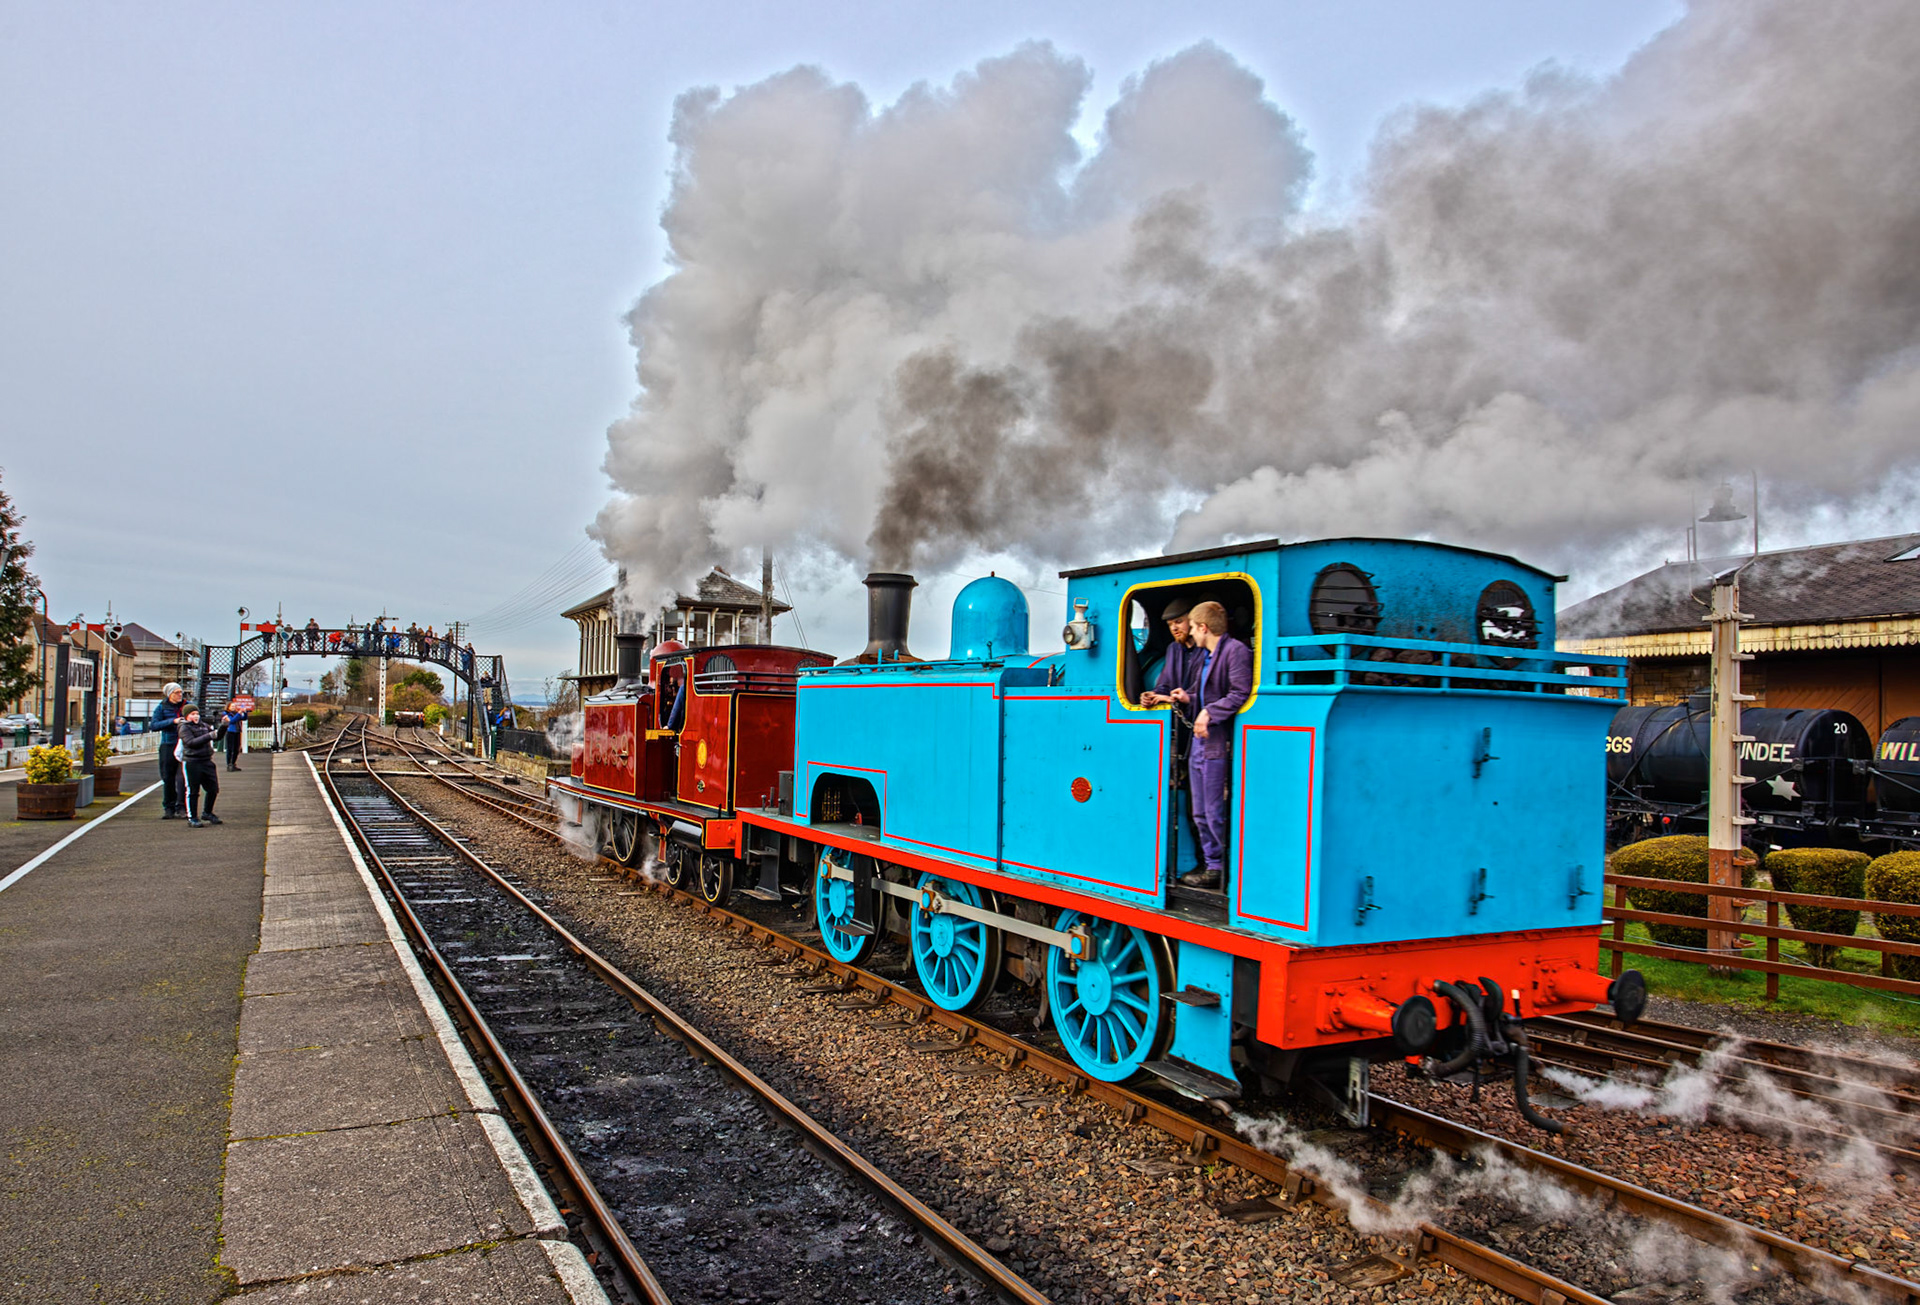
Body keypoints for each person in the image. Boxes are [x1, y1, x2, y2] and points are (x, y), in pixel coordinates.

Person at [1169, 600, 1251, 891]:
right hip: (1200, 743)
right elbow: (1204, 694)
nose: (1190, 632)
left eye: (1192, 626)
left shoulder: (1235, 651)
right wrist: (1187, 697)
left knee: (1214, 811)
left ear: (1203, 628)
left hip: (1216, 742)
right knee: (1199, 812)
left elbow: (1240, 692)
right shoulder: (1206, 657)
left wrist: (1208, 712)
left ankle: (1219, 867)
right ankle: (1211, 863)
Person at [1139, 598, 1204, 879]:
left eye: (1179, 622)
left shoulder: (1207, 650)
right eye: (1170, 625)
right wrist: (1153, 695)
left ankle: (1207, 863)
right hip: (1183, 732)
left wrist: (1180, 697)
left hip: (1205, 730)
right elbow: (1165, 683)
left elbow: (1206, 691)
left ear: (1193, 620)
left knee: (1202, 805)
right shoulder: (1173, 650)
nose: (1175, 628)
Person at [176, 704, 222, 826]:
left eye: (197, 714)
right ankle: (192, 817)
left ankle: (207, 812)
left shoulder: (204, 726)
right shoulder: (184, 728)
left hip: (206, 760)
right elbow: (191, 742)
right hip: (192, 761)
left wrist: (224, 726)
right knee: (193, 791)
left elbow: (217, 736)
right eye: (192, 714)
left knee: (213, 789)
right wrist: (208, 736)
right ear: (187, 716)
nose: (196, 716)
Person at [150, 683, 187, 819]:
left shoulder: (186, 706)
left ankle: (181, 806)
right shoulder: (161, 708)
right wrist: (173, 721)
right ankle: (169, 807)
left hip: (184, 743)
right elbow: (154, 725)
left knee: (183, 777)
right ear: (169, 694)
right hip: (168, 743)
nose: (180, 695)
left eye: (181, 692)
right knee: (168, 776)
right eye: (176, 692)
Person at [221, 700, 248, 770]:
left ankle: (233, 763)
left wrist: (245, 712)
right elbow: (232, 721)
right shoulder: (226, 713)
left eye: (234, 706)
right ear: (228, 707)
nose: (234, 707)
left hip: (237, 731)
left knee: (236, 749)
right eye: (232, 706)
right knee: (230, 749)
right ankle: (229, 764)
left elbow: (244, 718)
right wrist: (239, 713)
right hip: (230, 732)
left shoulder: (236, 713)